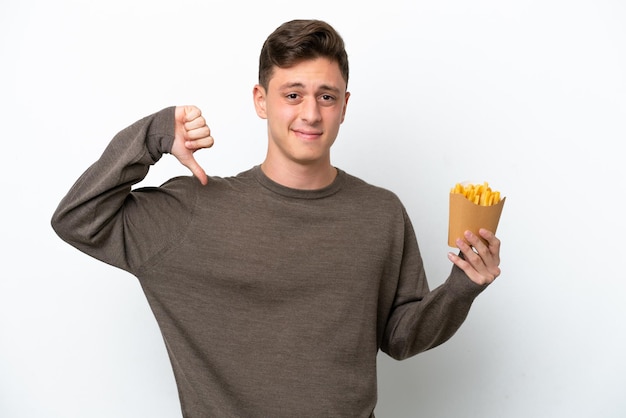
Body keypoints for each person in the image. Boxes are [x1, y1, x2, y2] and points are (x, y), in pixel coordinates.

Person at [51, 19, 501, 418]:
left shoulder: (381, 213)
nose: (311, 113)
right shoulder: (193, 209)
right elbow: (78, 218)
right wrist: (155, 133)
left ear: (345, 105)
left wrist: (462, 287)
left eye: (326, 96)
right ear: (261, 100)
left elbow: (400, 338)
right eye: (293, 95)